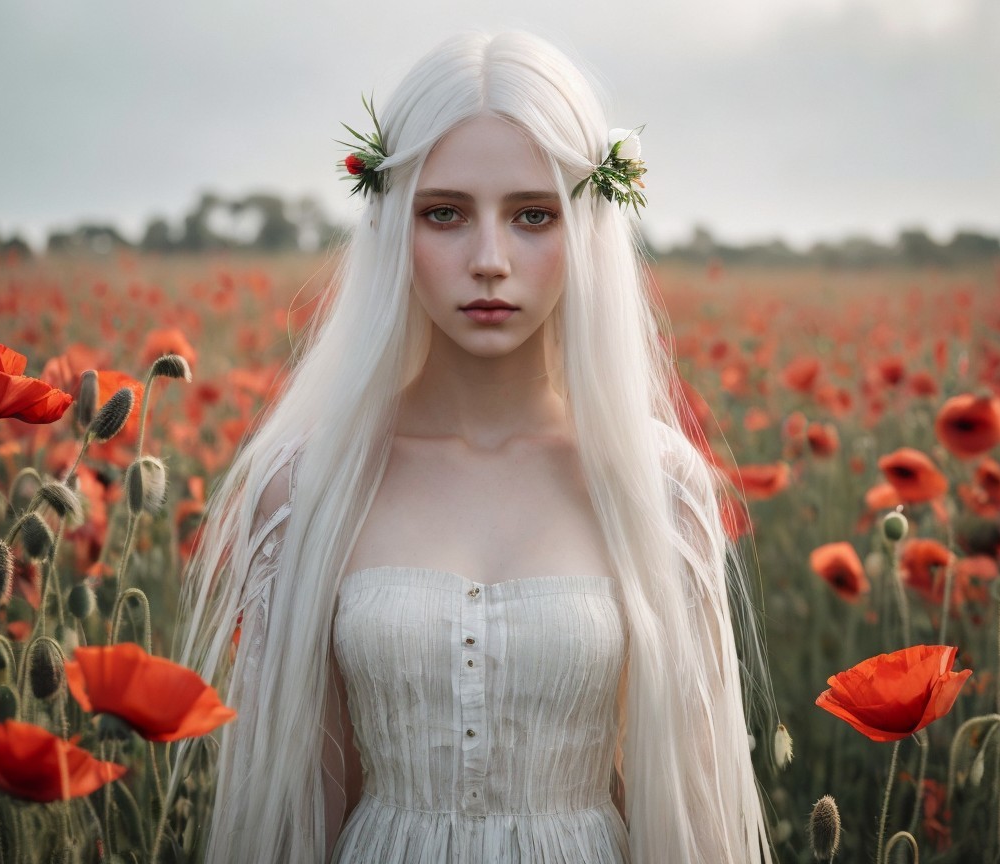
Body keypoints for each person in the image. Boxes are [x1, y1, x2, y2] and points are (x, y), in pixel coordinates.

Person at [176, 30, 773, 864]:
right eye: (445, 214)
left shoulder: (656, 485)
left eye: (533, 215)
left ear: (588, 228)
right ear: (393, 224)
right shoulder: (310, 483)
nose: (489, 261)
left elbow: (689, 813)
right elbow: (297, 809)